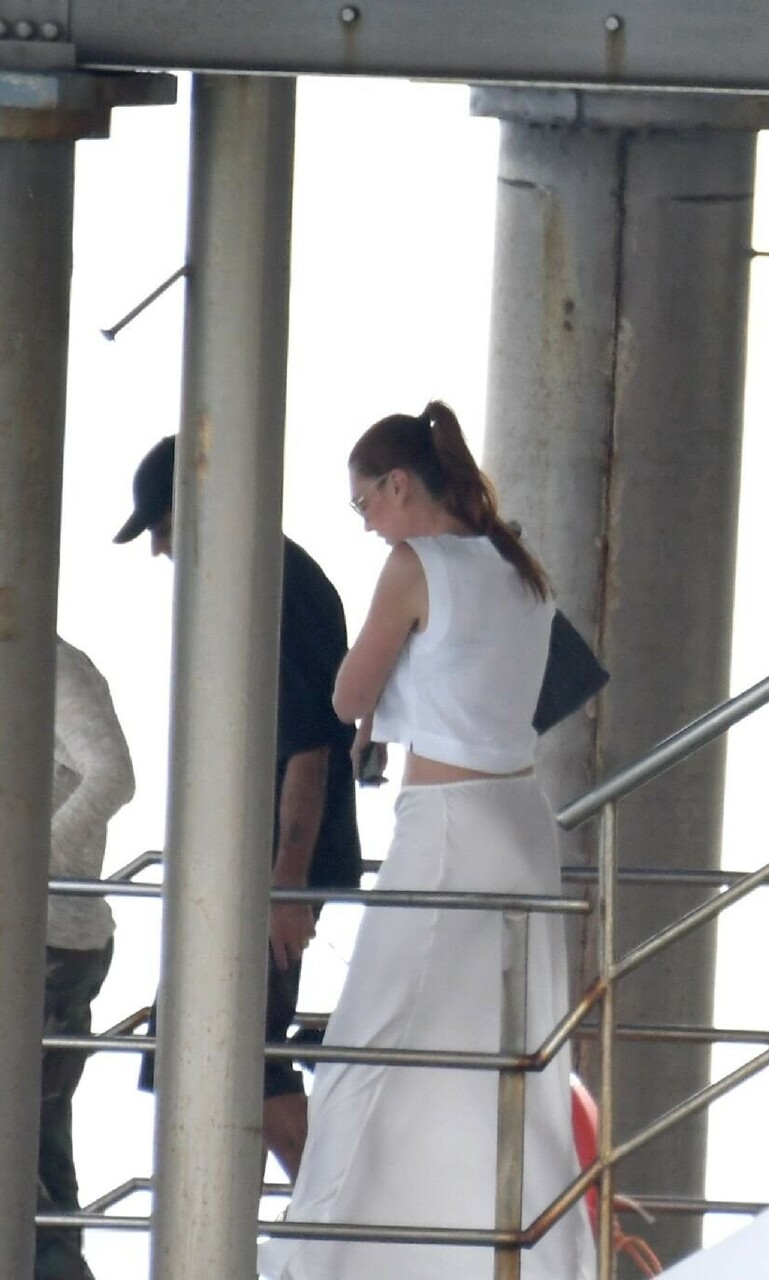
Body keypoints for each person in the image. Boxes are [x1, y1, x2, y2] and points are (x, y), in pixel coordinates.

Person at [260, 402, 593, 1279]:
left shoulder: (417, 566)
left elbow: (345, 695)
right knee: (507, 1053)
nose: (367, 522)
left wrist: (381, 694)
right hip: (522, 824)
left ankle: (313, 1255)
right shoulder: (520, 569)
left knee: (370, 1044)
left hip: (448, 826)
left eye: (365, 502)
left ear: (400, 484)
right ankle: (525, 1257)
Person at [115, 435, 361, 1179]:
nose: (160, 549)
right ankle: (290, 1222)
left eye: (164, 527)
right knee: (216, 1053)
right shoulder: (273, 579)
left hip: (269, 873)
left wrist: (286, 883)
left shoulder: (266, 591)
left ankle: (338, 1215)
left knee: (223, 1052)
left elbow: (309, 748)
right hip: (257, 871)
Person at [38, 637, 135, 1280]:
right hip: (31, 939)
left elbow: (114, 775)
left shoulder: (47, 666)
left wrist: (25, 862)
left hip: (43, 942)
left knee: (13, 1153)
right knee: (35, 1155)